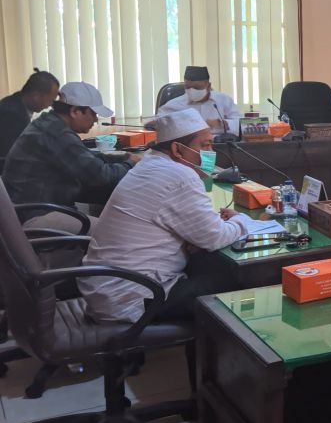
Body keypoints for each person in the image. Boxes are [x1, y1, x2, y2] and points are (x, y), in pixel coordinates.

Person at [78, 109, 253, 323]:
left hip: (108, 288)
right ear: (177, 149)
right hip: (134, 296)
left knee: (205, 264)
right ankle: (222, 354)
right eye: (204, 145)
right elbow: (215, 238)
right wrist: (240, 221)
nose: (211, 151)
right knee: (237, 280)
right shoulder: (180, 175)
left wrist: (198, 235)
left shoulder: (150, 163)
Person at [3, 82, 135, 229]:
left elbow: (84, 158)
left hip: (27, 209)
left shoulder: (49, 123)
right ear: (75, 111)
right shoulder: (57, 133)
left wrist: (123, 158)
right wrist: (131, 165)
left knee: (103, 216)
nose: (96, 120)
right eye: (93, 113)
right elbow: (100, 176)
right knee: (116, 232)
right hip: (38, 215)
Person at [152, 66, 242, 138]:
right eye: (188, 87)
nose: (192, 91)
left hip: (219, 144)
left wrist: (221, 122)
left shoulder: (224, 100)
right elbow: (156, 123)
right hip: (187, 147)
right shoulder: (175, 104)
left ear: (208, 85)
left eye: (197, 88)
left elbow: (242, 124)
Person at [0, 69, 60, 162]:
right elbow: (14, 156)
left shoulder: (15, 103)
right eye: (50, 100)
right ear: (35, 95)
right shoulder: (12, 114)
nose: (50, 105)